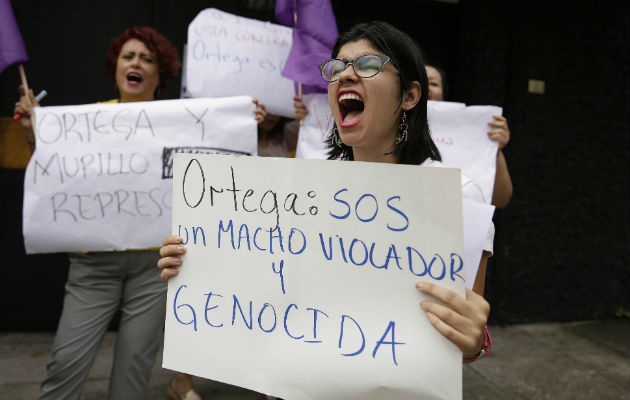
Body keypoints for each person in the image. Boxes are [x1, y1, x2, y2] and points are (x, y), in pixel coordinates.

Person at [157, 19, 492, 396]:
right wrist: (195, 265)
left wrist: (473, 341)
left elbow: (464, 339)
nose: (346, 75)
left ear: (410, 95)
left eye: (367, 65)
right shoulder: (302, 194)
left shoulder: (459, 198)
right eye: (337, 67)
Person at [13, 27, 181, 400]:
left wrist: (247, 122)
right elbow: (56, 178)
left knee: (133, 376)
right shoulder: (87, 120)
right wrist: (35, 133)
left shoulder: (180, 120)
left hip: (153, 270)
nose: (136, 63)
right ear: (117, 68)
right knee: (64, 367)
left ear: (160, 72)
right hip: (94, 269)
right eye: (128, 56)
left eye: (147, 58)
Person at [425, 63, 513, 208]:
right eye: (417, 81)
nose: (425, 87)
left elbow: (500, 200)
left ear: (444, 93)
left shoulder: (474, 129)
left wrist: (494, 150)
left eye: (433, 83)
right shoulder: (388, 129)